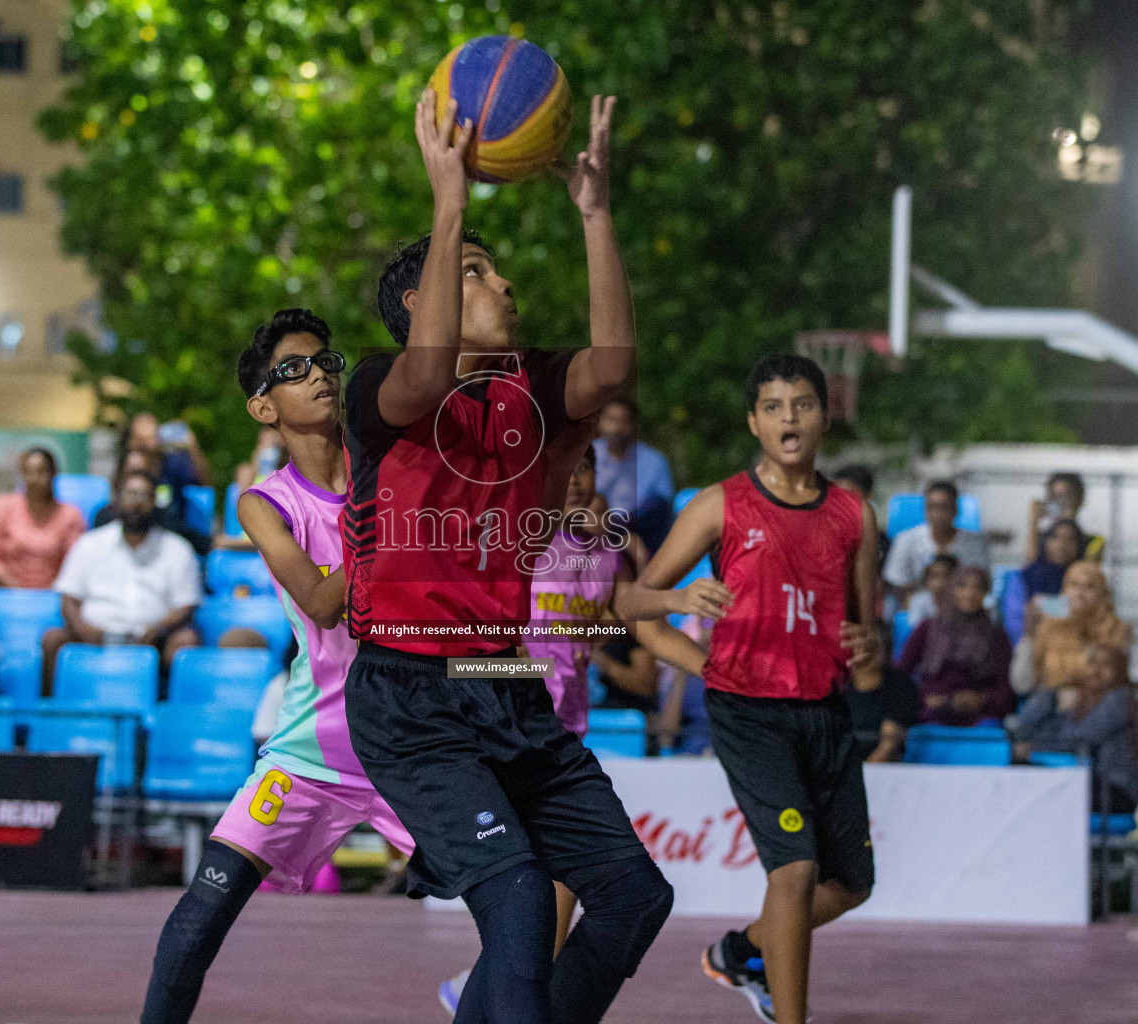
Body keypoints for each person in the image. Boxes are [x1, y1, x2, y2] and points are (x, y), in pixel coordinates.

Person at [341, 92, 672, 1024]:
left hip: (508, 687)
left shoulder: (531, 390)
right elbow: (428, 360)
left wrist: (595, 214)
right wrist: (450, 205)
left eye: (496, 270)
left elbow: (611, 367)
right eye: (479, 273)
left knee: (636, 896)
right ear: (425, 298)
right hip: (410, 696)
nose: (505, 285)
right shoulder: (381, 389)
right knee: (521, 902)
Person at [140, 308, 418, 1024]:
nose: (319, 373)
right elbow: (325, 606)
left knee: (521, 905)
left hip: (417, 744)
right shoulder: (266, 503)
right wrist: (390, 514)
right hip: (312, 746)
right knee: (197, 920)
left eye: (326, 361)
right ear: (263, 406)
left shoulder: (395, 466)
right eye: (293, 368)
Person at [617, 353, 881, 1024]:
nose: (788, 416)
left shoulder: (855, 516)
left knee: (852, 883)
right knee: (793, 874)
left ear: (826, 416)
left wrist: (871, 643)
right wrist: (682, 605)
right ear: (754, 423)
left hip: (823, 710)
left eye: (802, 404)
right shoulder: (719, 505)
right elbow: (630, 604)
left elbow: (865, 632)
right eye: (773, 406)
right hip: (748, 714)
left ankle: (741, 952)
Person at [441, 443, 707, 1014]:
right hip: (499, 741)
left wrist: (722, 667)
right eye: (563, 467)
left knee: (548, 903)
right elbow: (453, 659)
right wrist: (529, 666)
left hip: (561, 743)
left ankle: (490, 993)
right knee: (542, 899)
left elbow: (630, 620)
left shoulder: (596, 552)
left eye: (584, 467)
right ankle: (496, 994)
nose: (576, 479)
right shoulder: (496, 542)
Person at [42, 471, 201, 696]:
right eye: (130, 494)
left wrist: (159, 629)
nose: (136, 503)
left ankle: (170, 721)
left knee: (186, 640)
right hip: (94, 636)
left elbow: (186, 605)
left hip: (154, 639)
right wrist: (82, 629)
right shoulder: (89, 544)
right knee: (53, 639)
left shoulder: (178, 549)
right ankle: (55, 716)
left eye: (143, 495)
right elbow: (68, 598)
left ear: (155, 502)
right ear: (117, 501)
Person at [1014, 644, 1138, 814]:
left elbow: (1080, 739)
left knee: (1045, 793)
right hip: (1094, 786)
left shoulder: (1119, 699)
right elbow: (1027, 727)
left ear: (1119, 670)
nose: (1096, 671)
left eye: (1106, 665)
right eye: (1092, 663)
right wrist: (1051, 692)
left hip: (1115, 792)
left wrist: (1033, 748)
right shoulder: (1084, 701)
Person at [896, 565, 1014, 727]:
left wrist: (981, 700)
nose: (970, 594)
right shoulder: (928, 628)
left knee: (989, 731)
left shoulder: (996, 635)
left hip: (979, 714)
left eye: (978, 588)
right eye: (962, 586)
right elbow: (900, 676)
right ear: (952, 589)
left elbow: (1006, 688)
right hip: (931, 711)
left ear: (985, 593)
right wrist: (925, 698)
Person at [0, 447, 85, 590]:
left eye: (41, 471)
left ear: (53, 473)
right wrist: (16, 589)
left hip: (53, 597)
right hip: (8, 594)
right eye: (29, 472)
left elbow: (75, 564)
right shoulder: (2, 507)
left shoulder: (70, 515)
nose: (34, 479)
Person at [1028, 560, 1132, 692]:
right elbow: (1035, 672)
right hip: (1054, 699)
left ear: (1101, 592)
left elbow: (1106, 676)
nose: (1080, 593)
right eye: (1074, 585)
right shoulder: (1050, 625)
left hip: (1097, 701)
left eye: (1089, 587)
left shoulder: (1115, 629)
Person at [882, 480, 989, 600]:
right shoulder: (905, 540)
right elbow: (897, 583)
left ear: (955, 509)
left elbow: (980, 582)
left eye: (944, 507)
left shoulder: (974, 543)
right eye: (932, 507)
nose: (937, 514)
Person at [593, 396, 674, 550]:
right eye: (611, 420)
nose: (617, 428)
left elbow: (660, 508)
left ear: (634, 425)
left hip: (639, 537)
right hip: (592, 535)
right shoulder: (587, 456)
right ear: (599, 422)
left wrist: (620, 527)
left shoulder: (654, 461)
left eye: (623, 421)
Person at [122, 412, 212, 544]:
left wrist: (192, 447)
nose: (150, 444)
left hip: (173, 532)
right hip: (139, 527)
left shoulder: (173, 463)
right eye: (143, 440)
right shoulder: (129, 467)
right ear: (133, 442)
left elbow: (203, 482)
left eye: (153, 436)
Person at [1002, 518, 1083, 645]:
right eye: (1055, 537)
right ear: (1045, 541)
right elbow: (1015, 621)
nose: (1061, 545)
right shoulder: (1023, 577)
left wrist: (1043, 605)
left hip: (1073, 651)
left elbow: (1087, 612)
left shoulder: (1083, 578)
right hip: (1034, 648)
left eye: (1070, 540)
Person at [1025, 471, 1104, 564]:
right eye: (1055, 497)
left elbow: (1086, 573)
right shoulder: (1040, 538)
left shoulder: (1093, 542)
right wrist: (1033, 523)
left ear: (1079, 499)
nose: (1061, 503)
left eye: (1067, 497)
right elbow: (1030, 569)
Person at [904, 553, 959, 629]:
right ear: (926, 578)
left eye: (946, 576)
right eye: (934, 576)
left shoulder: (961, 602)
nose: (940, 583)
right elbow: (917, 631)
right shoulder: (919, 601)